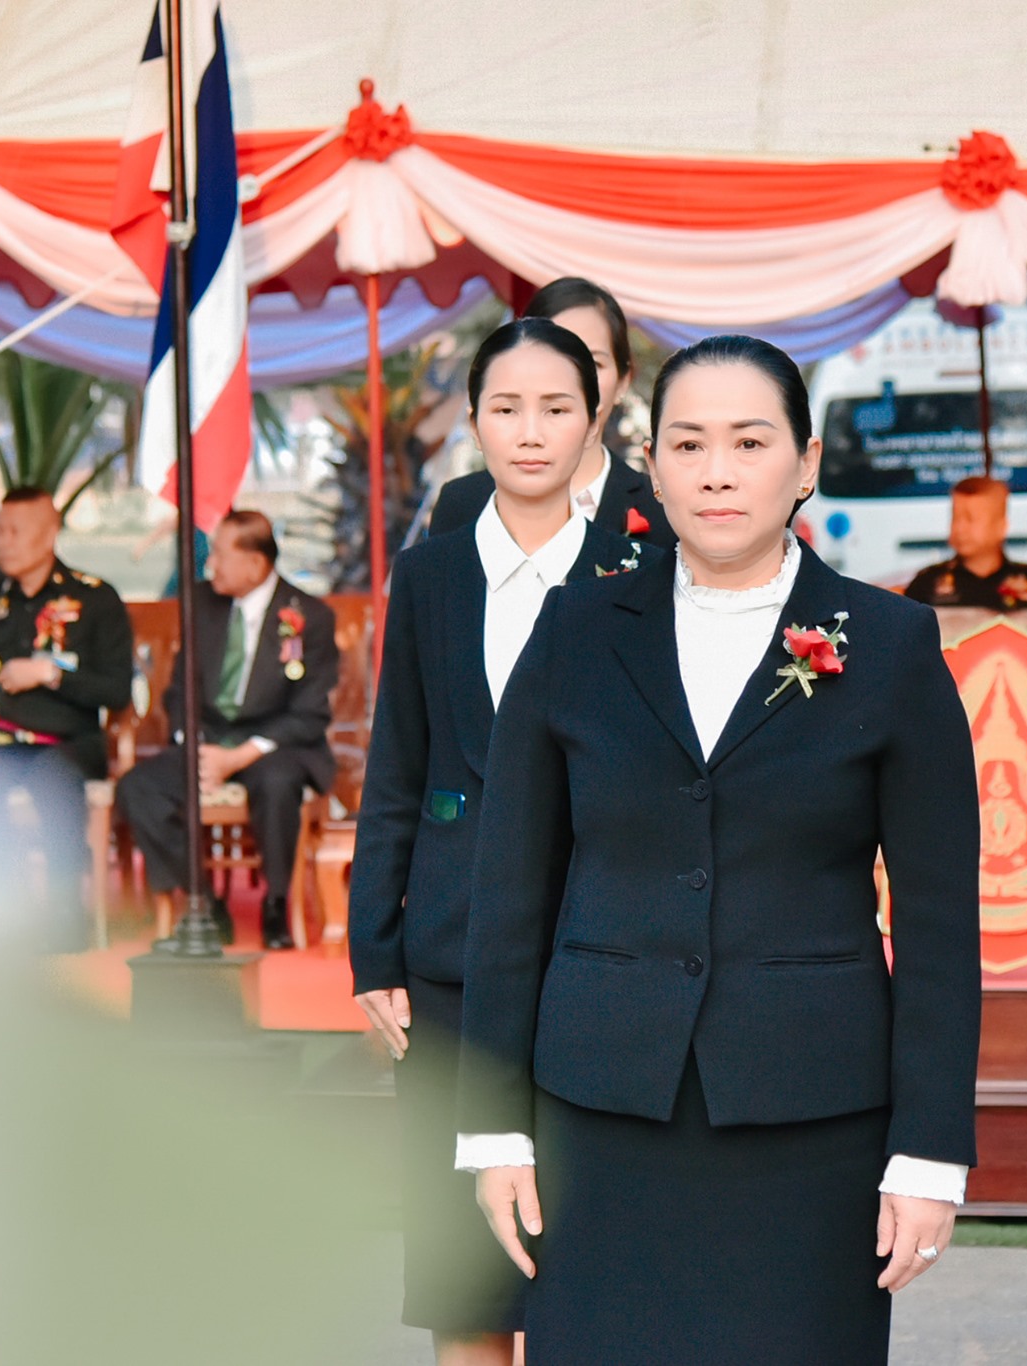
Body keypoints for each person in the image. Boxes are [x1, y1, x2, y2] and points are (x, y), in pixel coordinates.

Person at [453, 335, 982, 1364]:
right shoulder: (573, 631)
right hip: (598, 1112)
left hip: (809, 1118)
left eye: (749, 441)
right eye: (688, 444)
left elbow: (934, 923)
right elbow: (510, 891)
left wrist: (928, 1153)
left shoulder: (889, 645)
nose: (717, 472)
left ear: (806, 462)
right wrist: (493, 1127)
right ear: (652, 467)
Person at [349, 317, 646, 1366]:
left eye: (556, 407)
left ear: (595, 418)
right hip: (449, 950)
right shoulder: (431, 573)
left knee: (583, 1271)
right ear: (472, 421)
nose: (530, 431)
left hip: (597, 947)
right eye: (506, 408)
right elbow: (397, 762)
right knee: (462, 1277)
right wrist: (372, 948)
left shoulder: (638, 568)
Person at [116, 510, 338, 951]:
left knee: (278, 784)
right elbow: (180, 691)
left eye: (219, 555)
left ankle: (276, 903)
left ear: (255, 564)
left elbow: (310, 712)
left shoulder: (309, 615)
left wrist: (239, 756)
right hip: (207, 739)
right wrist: (198, 748)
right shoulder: (201, 603)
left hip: (274, 743)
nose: (210, 565)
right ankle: (202, 898)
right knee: (137, 789)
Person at [0, 488, 134, 950]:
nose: (5, 541)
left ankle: (64, 913)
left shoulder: (94, 599)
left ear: (49, 533)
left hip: (66, 742)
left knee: (54, 784)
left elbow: (117, 691)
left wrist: (50, 674)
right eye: (0, 530)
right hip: (0, 741)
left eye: (16, 531)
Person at [429, 277, 675, 547]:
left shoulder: (663, 511)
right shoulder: (463, 503)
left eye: (593, 363)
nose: (572, 380)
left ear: (623, 381)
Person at [903, 477, 1027, 611]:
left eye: (970, 519)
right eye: (955, 517)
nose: (960, 528)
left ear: (1001, 527)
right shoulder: (927, 584)